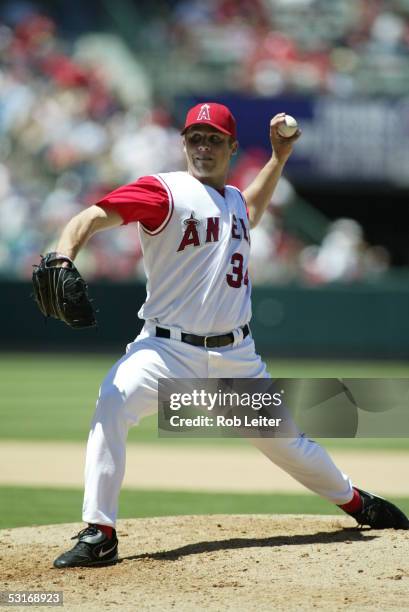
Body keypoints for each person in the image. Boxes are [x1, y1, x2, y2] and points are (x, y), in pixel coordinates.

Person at [50, 102, 409, 568]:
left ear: (231, 147)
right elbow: (92, 216)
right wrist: (63, 256)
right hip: (165, 350)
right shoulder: (165, 191)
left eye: (214, 139)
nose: (203, 146)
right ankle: (100, 531)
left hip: (235, 357)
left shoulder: (234, 200)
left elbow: (252, 209)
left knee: (289, 445)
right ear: (183, 143)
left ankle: (359, 503)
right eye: (195, 138)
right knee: (112, 402)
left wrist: (279, 158)